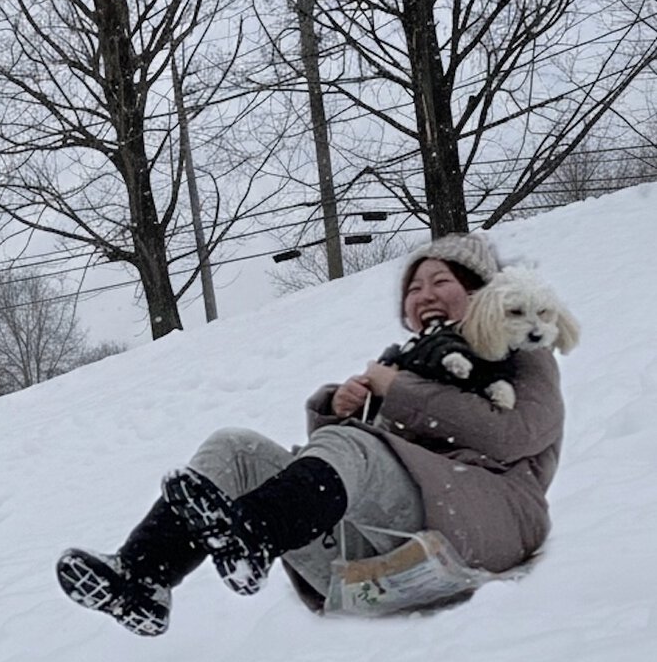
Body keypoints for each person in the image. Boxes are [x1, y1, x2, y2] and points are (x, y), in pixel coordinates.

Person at [56, 234, 567, 635]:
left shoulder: (524, 346)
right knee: (235, 447)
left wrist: (396, 394)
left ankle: (254, 535)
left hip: (486, 528)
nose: (423, 295)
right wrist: (339, 409)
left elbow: (516, 435)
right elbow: (360, 474)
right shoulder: (409, 365)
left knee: (356, 449)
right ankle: (143, 578)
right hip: (386, 552)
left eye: (439, 282)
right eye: (413, 288)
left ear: (480, 291)